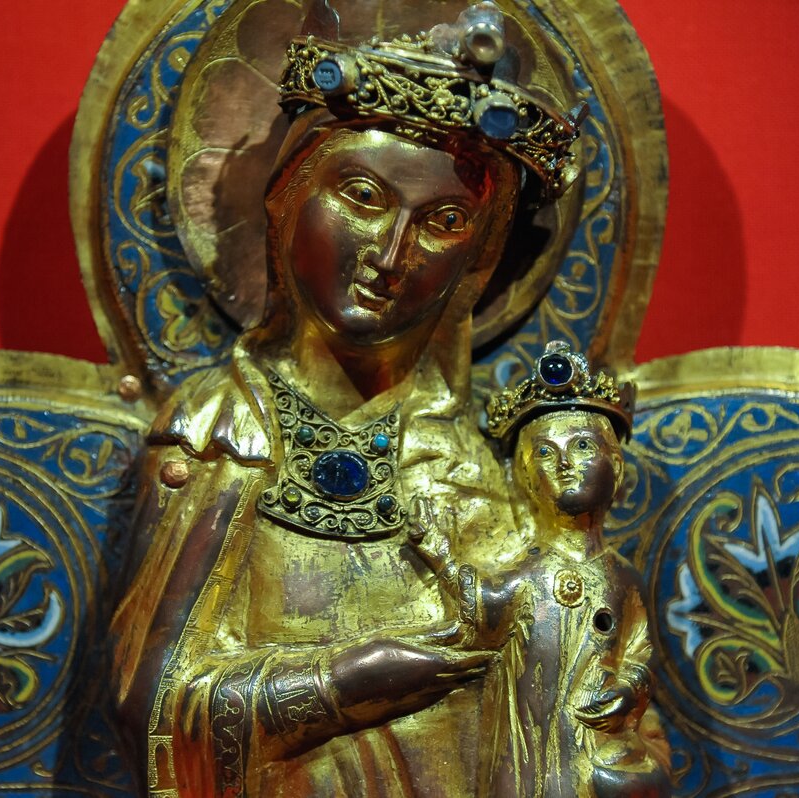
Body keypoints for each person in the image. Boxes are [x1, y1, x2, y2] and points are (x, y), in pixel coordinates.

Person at [108, 4, 584, 795]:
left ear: (480, 257)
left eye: (444, 221)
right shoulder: (219, 429)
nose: (391, 254)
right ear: (288, 197)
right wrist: (346, 683)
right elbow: (150, 706)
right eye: (362, 196)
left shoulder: (475, 466)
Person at [410, 341, 670, 796]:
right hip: (533, 744)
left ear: (616, 466)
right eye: (546, 453)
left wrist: (629, 688)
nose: (565, 464)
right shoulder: (531, 571)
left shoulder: (624, 577)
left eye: (582, 445)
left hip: (598, 741)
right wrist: (438, 553)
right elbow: (485, 609)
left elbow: (638, 652)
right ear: (527, 481)